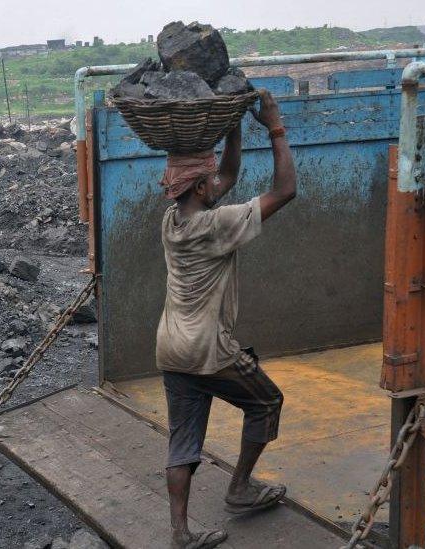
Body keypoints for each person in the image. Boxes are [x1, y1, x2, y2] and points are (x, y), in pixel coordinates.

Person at [157, 90, 296, 549]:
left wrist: (234, 123)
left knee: (183, 443)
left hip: (171, 348)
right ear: (199, 188)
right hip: (209, 349)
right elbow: (284, 190)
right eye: (208, 180)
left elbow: (228, 176)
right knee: (266, 403)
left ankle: (180, 533)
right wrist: (274, 126)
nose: (217, 181)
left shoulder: (172, 221)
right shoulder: (215, 227)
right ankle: (239, 487)